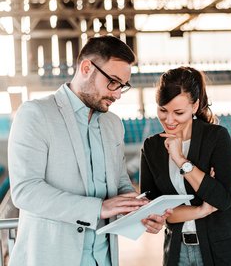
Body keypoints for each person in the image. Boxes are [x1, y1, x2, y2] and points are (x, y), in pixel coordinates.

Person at [8, 35, 170, 266]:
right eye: (112, 82)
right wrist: (98, 208)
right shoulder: (36, 114)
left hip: (103, 259)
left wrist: (137, 209)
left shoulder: (113, 124)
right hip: (51, 257)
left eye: (122, 86)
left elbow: (120, 182)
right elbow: (26, 191)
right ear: (86, 68)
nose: (116, 94)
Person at [140, 66, 231, 266]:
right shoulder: (152, 146)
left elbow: (223, 199)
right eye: (163, 110)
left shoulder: (216, 137)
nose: (169, 120)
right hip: (177, 250)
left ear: (194, 106)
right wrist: (202, 209)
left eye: (178, 112)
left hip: (223, 249)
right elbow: (154, 207)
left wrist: (181, 160)